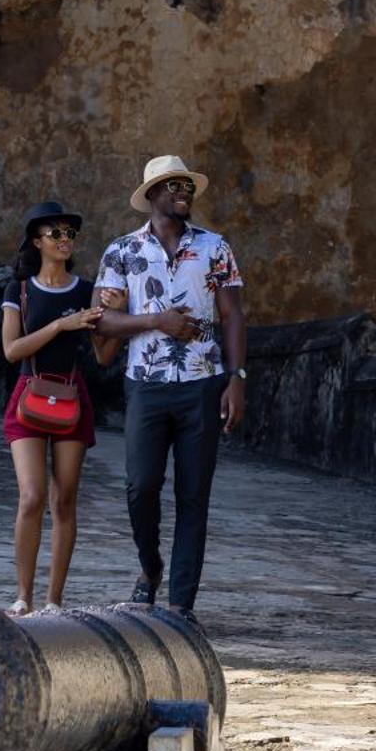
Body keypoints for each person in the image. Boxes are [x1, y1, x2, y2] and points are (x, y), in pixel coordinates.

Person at [93, 154, 246, 625]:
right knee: (140, 487)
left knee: (193, 493)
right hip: (146, 385)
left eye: (188, 186)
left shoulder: (215, 248)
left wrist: (236, 379)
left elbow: (232, 315)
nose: (184, 192)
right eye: (174, 186)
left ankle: (181, 602)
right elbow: (104, 320)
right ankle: (150, 568)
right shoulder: (121, 252)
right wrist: (156, 320)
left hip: (202, 383)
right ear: (153, 195)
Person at [0, 200, 104, 616]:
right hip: (28, 395)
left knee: (64, 502)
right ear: (36, 241)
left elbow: (103, 348)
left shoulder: (86, 289)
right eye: (55, 233)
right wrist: (61, 324)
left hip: (71, 397)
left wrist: (111, 310)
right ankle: (23, 595)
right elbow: (11, 350)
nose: (64, 240)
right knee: (31, 497)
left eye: (69, 234)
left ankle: (53, 600)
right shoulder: (19, 290)